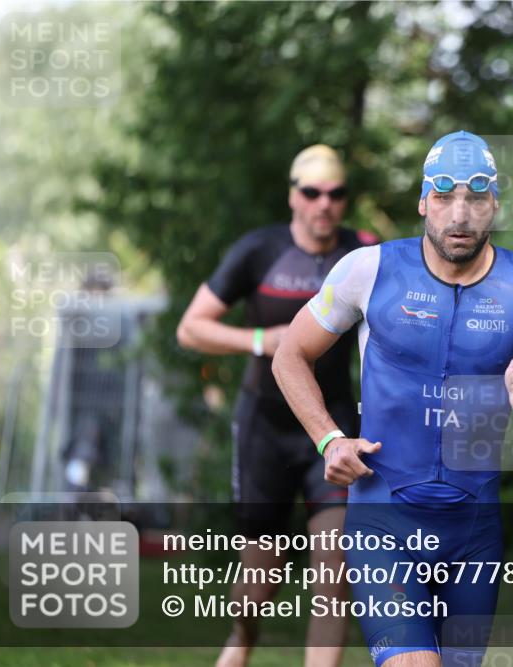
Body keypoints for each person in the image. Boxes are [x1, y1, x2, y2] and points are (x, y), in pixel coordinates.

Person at [272, 131, 513, 667]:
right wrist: (328, 439)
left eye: (476, 199)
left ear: (495, 204)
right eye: (444, 197)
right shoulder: (370, 271)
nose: (460, 215)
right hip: (384, 519)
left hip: (474, 531)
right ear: (423, 202)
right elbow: (289, 356)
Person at [177, 144, 377, 667]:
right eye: (311, 192)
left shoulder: (364, 253)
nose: (323, 204)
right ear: (294, 195)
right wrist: (262, 340)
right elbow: (191, 327)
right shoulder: (258, 250)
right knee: (259, 575)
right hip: (264, 425)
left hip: (330, 425)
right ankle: (242, 641)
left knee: (334, 567)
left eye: (335, 194)